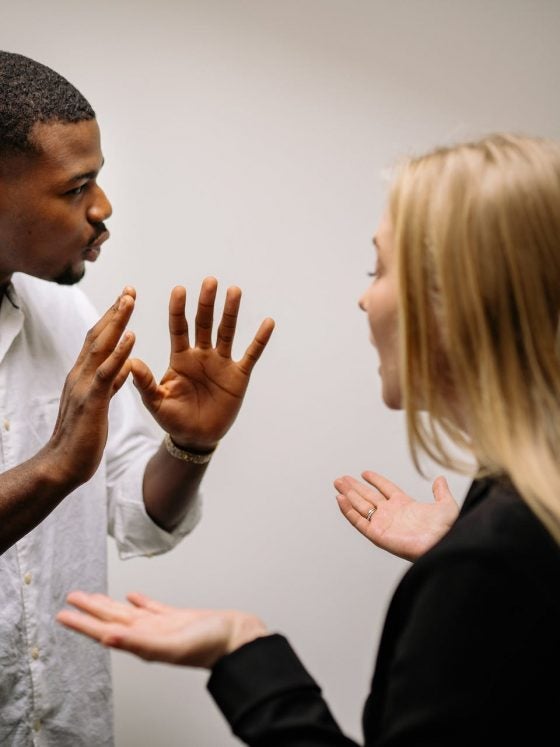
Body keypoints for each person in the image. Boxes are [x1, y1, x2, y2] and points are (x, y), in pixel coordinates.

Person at [57, 133, 560, 745]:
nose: (365, 298)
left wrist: (242, 649)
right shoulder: (514, 532)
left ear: (457, 303)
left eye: (379, 269)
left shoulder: (493, 559)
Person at [0, 50, 274, 746]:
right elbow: (69, 469)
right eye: (76, 187)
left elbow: (135, 513)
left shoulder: (68, 315)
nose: (103, 208)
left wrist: (190, 446)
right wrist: (55, 466)